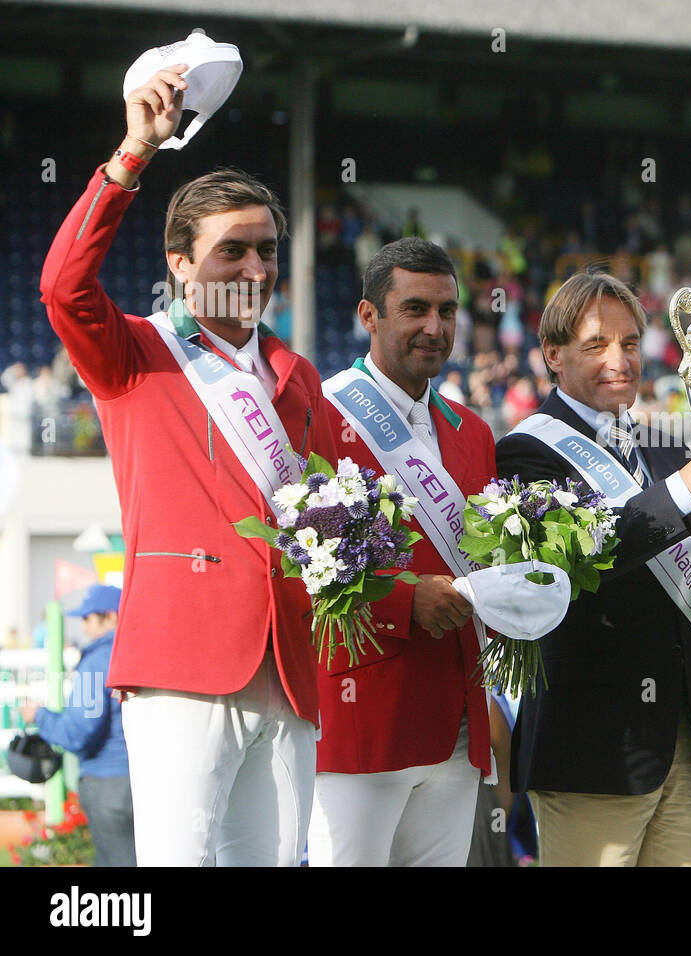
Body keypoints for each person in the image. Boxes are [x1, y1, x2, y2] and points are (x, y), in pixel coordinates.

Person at [40, 65, 335, 866]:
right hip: (181, 661)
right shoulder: (133, 353)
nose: (253, 270)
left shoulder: (298, 376)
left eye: (266, 251)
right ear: (178, 263)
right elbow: (63, 290)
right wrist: (135, 152)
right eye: (230, 251)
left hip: (289, 663)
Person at [494, 271, 691, 866]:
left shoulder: (668, 445)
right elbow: (566, 573)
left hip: (683, 734)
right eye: (596, 344)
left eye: (629, 343)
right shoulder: (525, 451)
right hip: (592, 747)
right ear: (554, 354)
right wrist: (684, 490)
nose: (619, 360)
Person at [308, 238, 495, 866]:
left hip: (458, 719)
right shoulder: (319, 415)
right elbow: (293, 559)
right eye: (415, 309)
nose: (434, 328)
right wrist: (401, 598)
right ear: (369, 316)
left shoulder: (474, 434)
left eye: (447, 311)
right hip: (362, 713)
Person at [23, 584, 134, 866]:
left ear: (110, 617)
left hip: (108, 782)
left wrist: (39, 716)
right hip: (144, 780)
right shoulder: (141, 653)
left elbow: (79, 732)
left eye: (88, 619)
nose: (84, 629)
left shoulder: (96, 661)